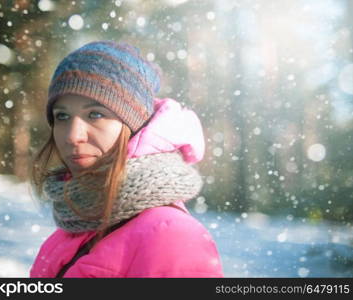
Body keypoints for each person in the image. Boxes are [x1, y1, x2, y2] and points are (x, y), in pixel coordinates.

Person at [29, 40, 223, 278]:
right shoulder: (76, 226)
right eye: (62, 116)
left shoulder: (171, 235)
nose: (72, 135)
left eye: (96, 114)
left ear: (134, 126)